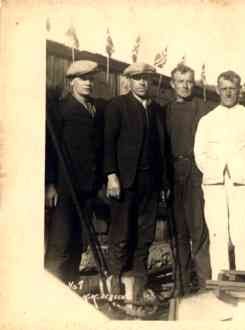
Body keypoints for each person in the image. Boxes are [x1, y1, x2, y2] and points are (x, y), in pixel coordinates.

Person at [104, 63, 170, 308]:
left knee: (145, 235)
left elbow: (161, 149)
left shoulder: (156, 110)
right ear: (129, 81)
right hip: (124, 182)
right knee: (121, 235)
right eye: (138, 78)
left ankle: (138, 288)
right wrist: (111, 175)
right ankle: (116, 291)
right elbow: (108, 143)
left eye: (147, 79)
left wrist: (163, 182)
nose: (143, 83)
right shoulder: (117, 106)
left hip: (149, 184)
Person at [194, 71, 245, 279]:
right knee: (218, 235)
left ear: (239, 91)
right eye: (224, 88)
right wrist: (213, 171)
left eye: (232, 89)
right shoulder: (207, 121)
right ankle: (221, 280)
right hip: (215, 184)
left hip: (242, 184)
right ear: (218, 90)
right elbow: (199, 153)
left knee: (243, 235)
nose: (228, 93)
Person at [45, 60, 104, 285]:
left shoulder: (95, 109)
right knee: (61, 241)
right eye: (83, 78)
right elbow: (50, 149)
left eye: (91, 78)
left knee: (78, 240)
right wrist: (50, 183)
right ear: (72, 82)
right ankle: (52, 290)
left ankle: (70, 287)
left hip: (87, 186)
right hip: (65, 185)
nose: (88, 83)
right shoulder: (62, 110)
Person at [165, 64, 211, 294]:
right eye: (180, 81)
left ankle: (205, 286)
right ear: (172, 84)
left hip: (196, 173)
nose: (184, 86)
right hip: (174, 174)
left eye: (189, 81)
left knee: (199, 229)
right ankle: (180, 285)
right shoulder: (166, 110)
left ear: (194, 83)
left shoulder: (203, 108)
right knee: (178, 231)